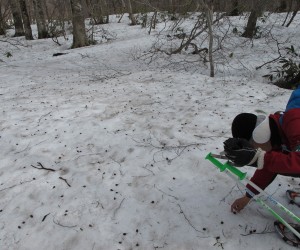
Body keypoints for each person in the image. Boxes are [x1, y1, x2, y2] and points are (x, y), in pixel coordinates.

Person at [223, 86, 300, 213]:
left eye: (254, 148)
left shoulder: (294, 122)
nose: (257, 151)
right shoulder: (277, 135)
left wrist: (259, 158)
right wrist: (248, 196)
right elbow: (269, 164)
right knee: (283, 162)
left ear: (259, 137)